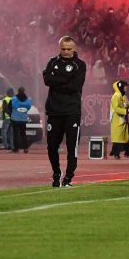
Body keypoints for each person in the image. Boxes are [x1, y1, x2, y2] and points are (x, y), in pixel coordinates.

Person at [42, 35, 87, 187]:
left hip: (72, 111)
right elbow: (47, 80)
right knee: (52, 146)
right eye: (63, 49)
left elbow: (75, 86)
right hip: (54, 111)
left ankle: (68, 177)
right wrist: (66, 79)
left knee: (71, 146)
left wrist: (57, 81)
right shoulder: (52, 62)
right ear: (59, 48)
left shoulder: (80, 65)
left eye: (69, 49)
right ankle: (56, 172)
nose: (66, 52)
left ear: (74, 49)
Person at [109, 80, 129, 159]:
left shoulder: (124, 96)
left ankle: (127, 152)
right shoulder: (116, 96)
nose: (126, 87)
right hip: (117, 121)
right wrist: (126, 111)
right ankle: (116, 154)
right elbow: (116, 109)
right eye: (125, 86)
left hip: (123, 121)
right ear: (121, 86)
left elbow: (128, 106)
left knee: (126, 137)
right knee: (118, 138)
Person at [10, 88, 32, 152]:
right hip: (23, 119)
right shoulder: (27, 100)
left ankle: (16, 149)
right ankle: (26, 148)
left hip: (15, 118)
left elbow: (11, 106)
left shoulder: (14, 99)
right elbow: (29, 107)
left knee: (16, 134)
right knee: (23, 134)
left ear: (18, 91)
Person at [0, 87, 15, 152]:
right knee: (11, 133)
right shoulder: (15, 99)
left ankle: (5, 145)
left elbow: (5, 108)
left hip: (7, 118)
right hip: (13, 119)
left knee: (4, 131)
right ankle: (12, 146)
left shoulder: (5, 99)